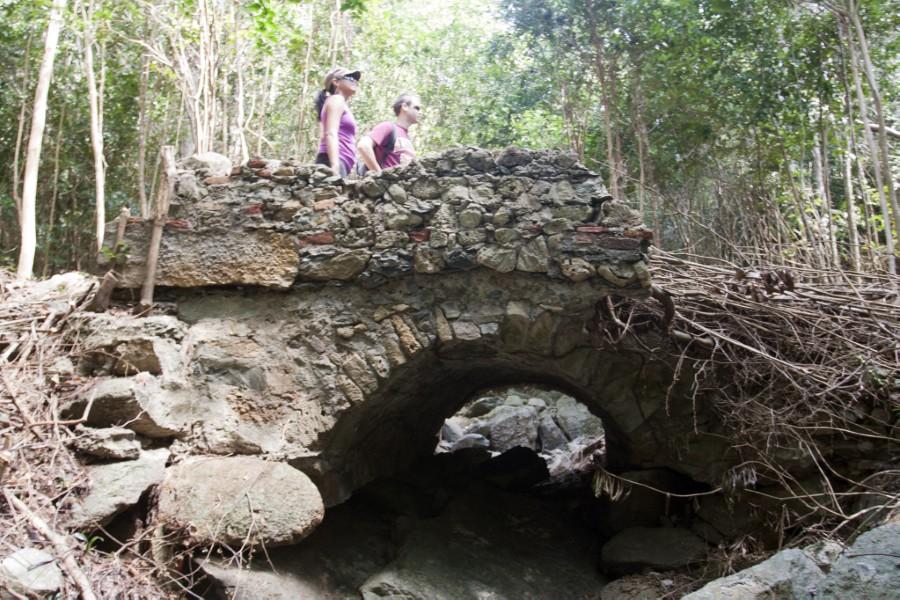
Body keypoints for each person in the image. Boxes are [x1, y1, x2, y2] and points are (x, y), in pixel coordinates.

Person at [357, 93, 421, 175]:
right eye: (417, 108)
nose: (420, 112)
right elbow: (363, 146)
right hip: (386, 185)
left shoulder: (408, 138)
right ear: (404, 107)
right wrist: (379, 176)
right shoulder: (388, 127)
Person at [313, 67, 361, 177]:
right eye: (350, 77)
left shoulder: (341, 103)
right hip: (332, 161)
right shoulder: (337, 99)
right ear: (336, 82)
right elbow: (330, 133)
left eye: (355, 79)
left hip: (339, 161)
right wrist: (335, 166)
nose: (354, 81)